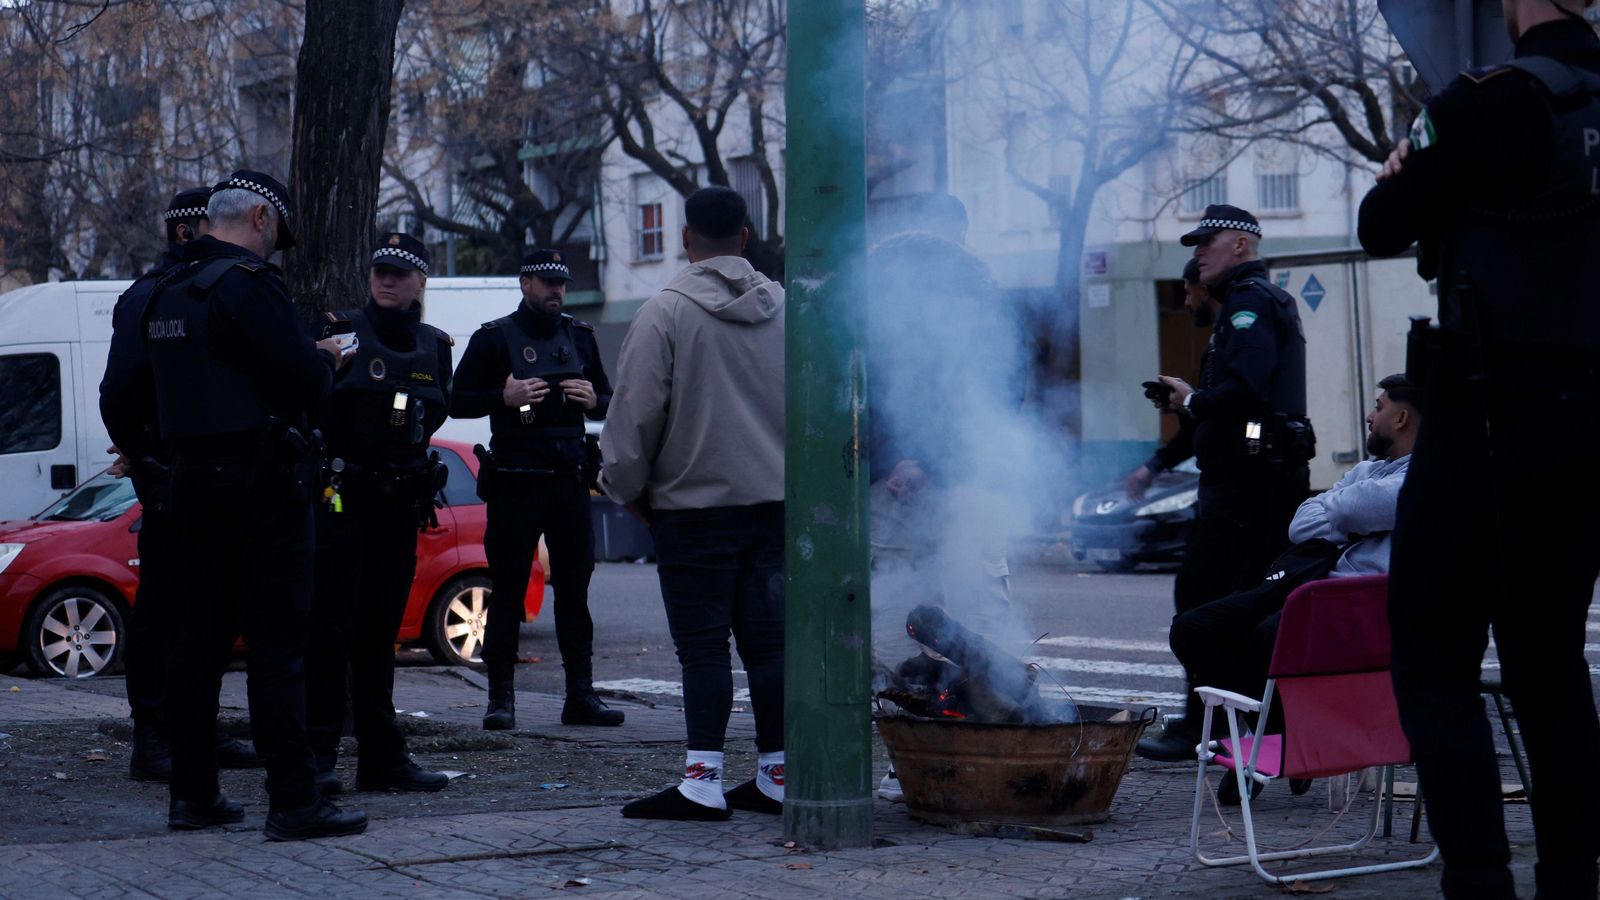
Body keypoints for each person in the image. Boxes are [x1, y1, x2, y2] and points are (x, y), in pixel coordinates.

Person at [1357, 2, 1600, 896]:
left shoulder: (1486, 101)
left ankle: (1480, 880)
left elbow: (1381, 222)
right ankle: (1576, 877)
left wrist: (1407, 170)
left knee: (1432, 654)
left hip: (1484, 421)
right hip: (1585, 426)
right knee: (1550, 661)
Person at [142, 170, 366, 840]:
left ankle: (193, 794)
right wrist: (327, 358)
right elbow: (301, 379)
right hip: (260, 486)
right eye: (278, 236)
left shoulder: (164, 293)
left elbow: (130, 392)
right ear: (262, 219)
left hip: (187, 487)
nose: (276, 251)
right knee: (277, 646)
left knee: (198, 645)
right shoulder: (250, 286)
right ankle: (294, 799)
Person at [600, 186, 785, 821]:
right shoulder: (787, 309)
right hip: (775, 506)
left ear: (685, 239)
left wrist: (628, 491)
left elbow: (634, 418)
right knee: (769, 646)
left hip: (692, 510)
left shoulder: (664, 314)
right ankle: (775, 775)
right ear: (746, 235)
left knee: (703, 648)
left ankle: (703, 781)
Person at [1167, 375, 1423, 792]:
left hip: (1347, 608)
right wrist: (1346, 509)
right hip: (1300, 584)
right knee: (1193, 629)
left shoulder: (1423, 479)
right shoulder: (1367, 470)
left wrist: (1339, 507)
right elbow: (1302, 524)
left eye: (1379, 407)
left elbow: (1367, 503)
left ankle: (1273, 740)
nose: (1369, 416)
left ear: (1402, 418)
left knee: (1266, 640)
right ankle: (1283, 729)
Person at [1131, 206, 1312, 763]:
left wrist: (1195, 399)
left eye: (1207, 242)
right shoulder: (1252, 302)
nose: (1199, 251)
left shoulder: (1249, 304)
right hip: (1256, 481)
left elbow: (1248, 390)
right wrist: (1191, 407)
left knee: (1203, 603)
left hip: (1248, 486)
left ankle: (1205, 727)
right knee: (1247, 605)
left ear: (1240, 244)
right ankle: (1251, 726)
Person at [100, 188, 261, 783]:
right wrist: (146, 456)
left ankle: (193, 730)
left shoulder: (195, 290)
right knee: (170, 608)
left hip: (187, 469)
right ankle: (156, 738)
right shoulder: (161, 295)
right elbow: (119, 392)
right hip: (179, 473)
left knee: (204, 609)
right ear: (192, 233)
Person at [304, 233, 454, 797]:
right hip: (342, 501)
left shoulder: (435, 345)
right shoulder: (338, 330)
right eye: (379, 271)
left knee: (380, 633)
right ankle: (318, 756)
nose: (386, 281)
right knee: (330, 630)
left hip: (398, 504)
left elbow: (438, 412)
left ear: (419, 282)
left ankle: (381, 757)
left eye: (399, 273)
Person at [449, 249, 621, 730]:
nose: (556, 291)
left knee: (575, 590)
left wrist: (594, 400)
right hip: (515, 482)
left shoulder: (580, 336)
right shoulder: (494, 338)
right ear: (525, 283)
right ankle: (500, 699)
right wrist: (502, 398)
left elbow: (610, 396)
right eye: (547, 282)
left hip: (568, 480)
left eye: (561, 284)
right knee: (505, 591)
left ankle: (580, 696)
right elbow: (455, 400)